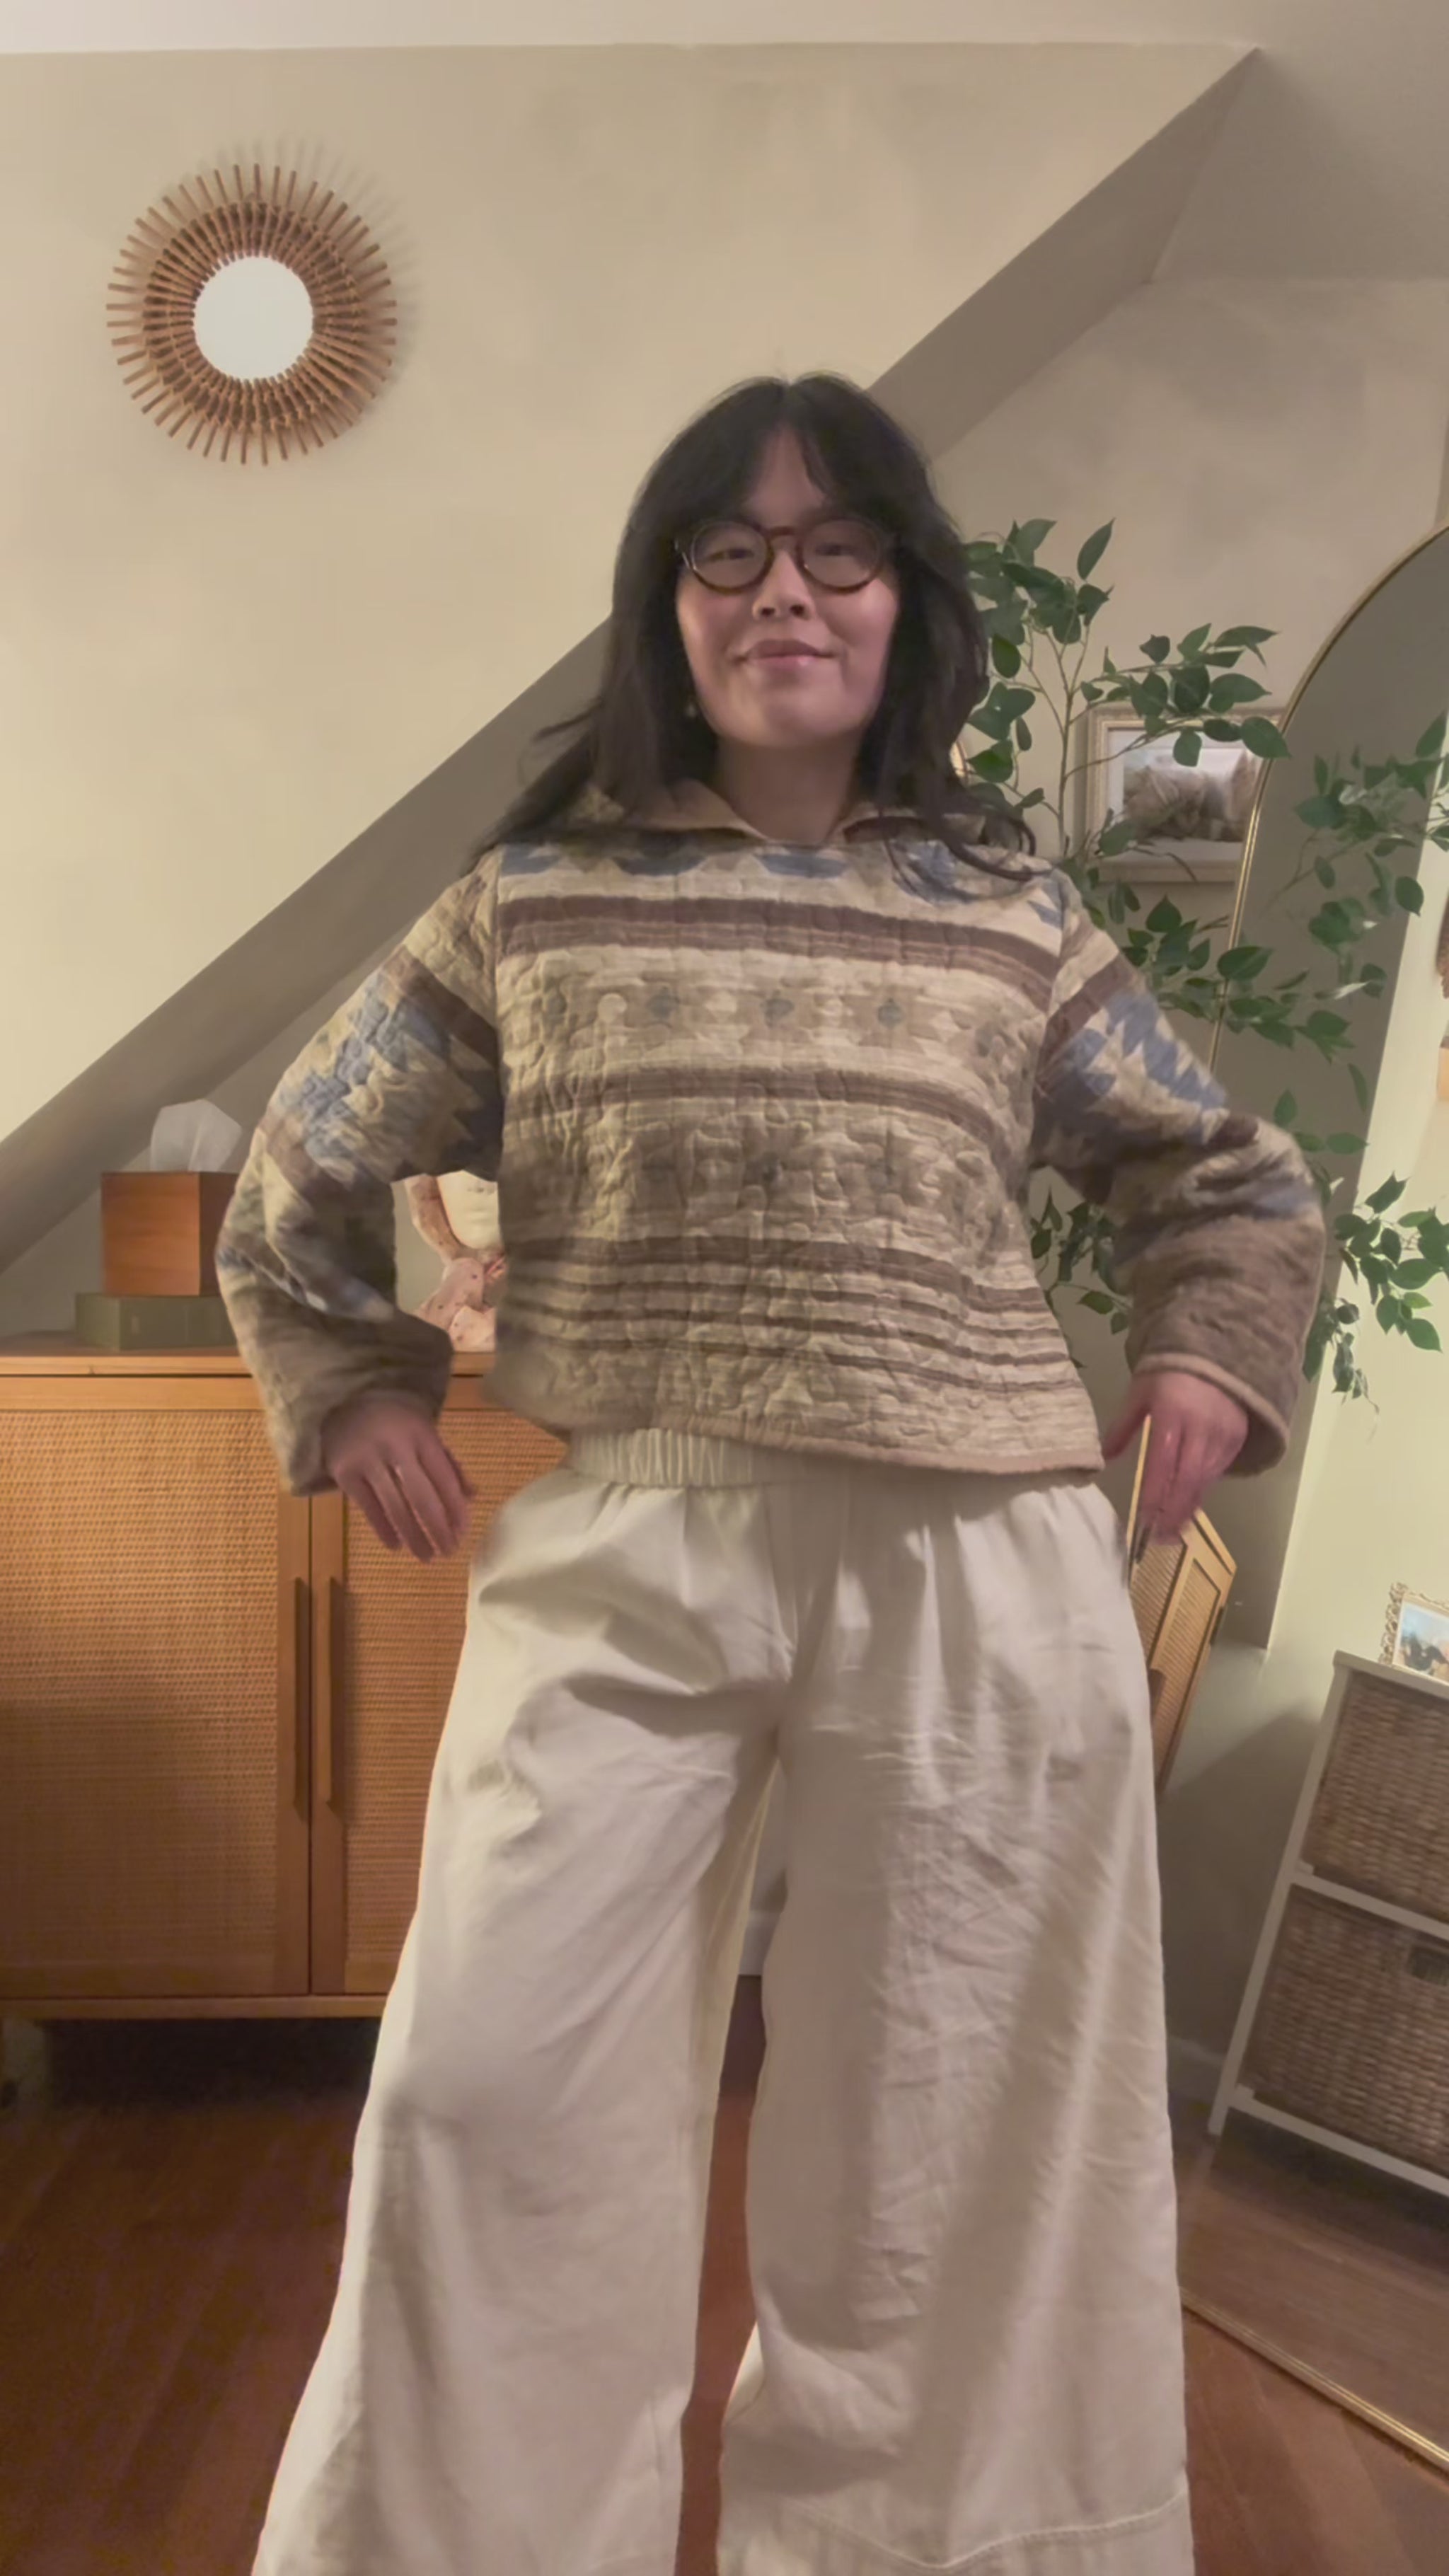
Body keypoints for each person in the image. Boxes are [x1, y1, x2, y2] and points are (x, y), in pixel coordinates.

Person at [218, 374, 1325, 2576]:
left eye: (838, 549)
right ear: (669, 602)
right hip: (632, 1521)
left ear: (907, 600)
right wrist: (350, 1384)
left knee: (959, 2130)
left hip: (979, 1545)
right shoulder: (534, 898)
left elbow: (1227, 1173)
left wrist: (1211, 1349)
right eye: (726, 549)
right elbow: (303, 1164)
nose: (784, 591)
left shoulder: (1011, 909)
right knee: (482, 2088)